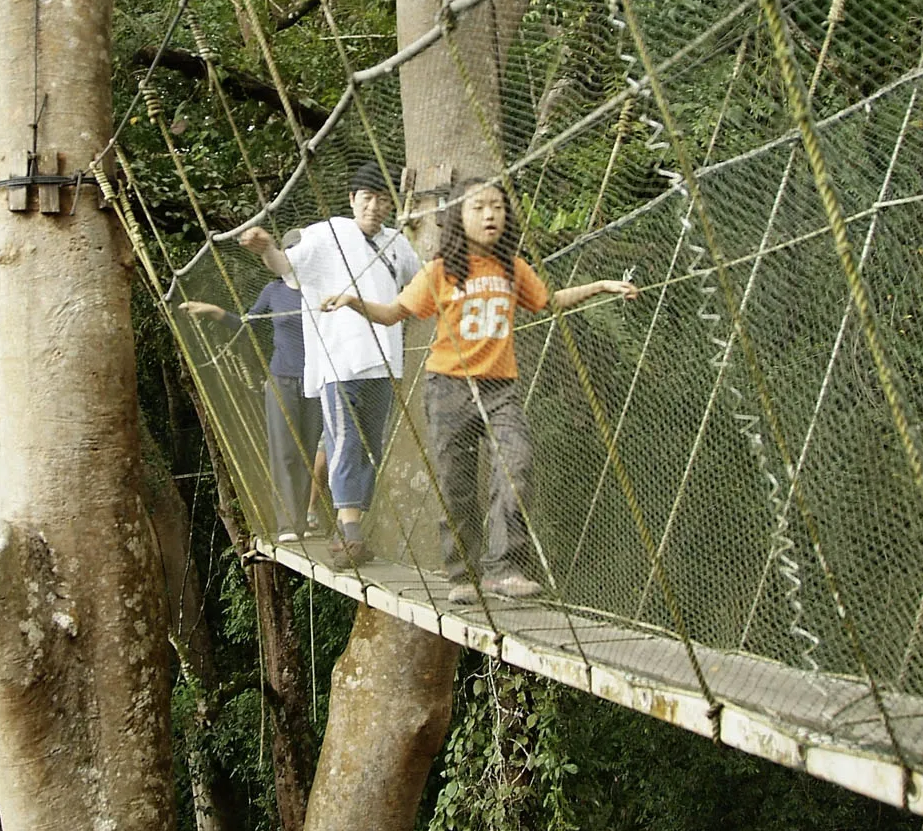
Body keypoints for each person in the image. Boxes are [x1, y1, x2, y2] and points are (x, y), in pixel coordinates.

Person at [323, 178, 638, 604]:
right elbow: (395, 312)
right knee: (457, 484)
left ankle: (504, 569)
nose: (490, 215)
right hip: (447, 389)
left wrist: (600, 286)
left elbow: (549, 301)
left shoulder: (513, 268)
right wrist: (354, 300)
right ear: (458, 216)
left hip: (500, 389)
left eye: (497, 207)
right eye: (479, 207)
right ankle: (461, 574)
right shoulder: (441, 271)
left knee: (518, 463)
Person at [239, 160, 421, 569]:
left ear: (391, 203)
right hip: (340, 363)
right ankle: (350, 534)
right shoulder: (327, 235)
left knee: (371, 448)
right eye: (368, 198)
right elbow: (287, 267)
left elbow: (422, 281)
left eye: (383, 199)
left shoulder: (396, 243)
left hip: (385, 364)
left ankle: (348, 530)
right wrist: (267, 248)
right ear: (352, 199)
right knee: (344, 442)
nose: (375, 206)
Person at [178, 247, 323, 543]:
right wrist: (214, 312)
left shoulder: (321, 289)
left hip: (316, 380)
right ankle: (287, 524)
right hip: (282, 379)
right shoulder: (274, 290)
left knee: (309, 451)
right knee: (285, 452)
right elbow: (248, 324)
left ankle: (305, 519)